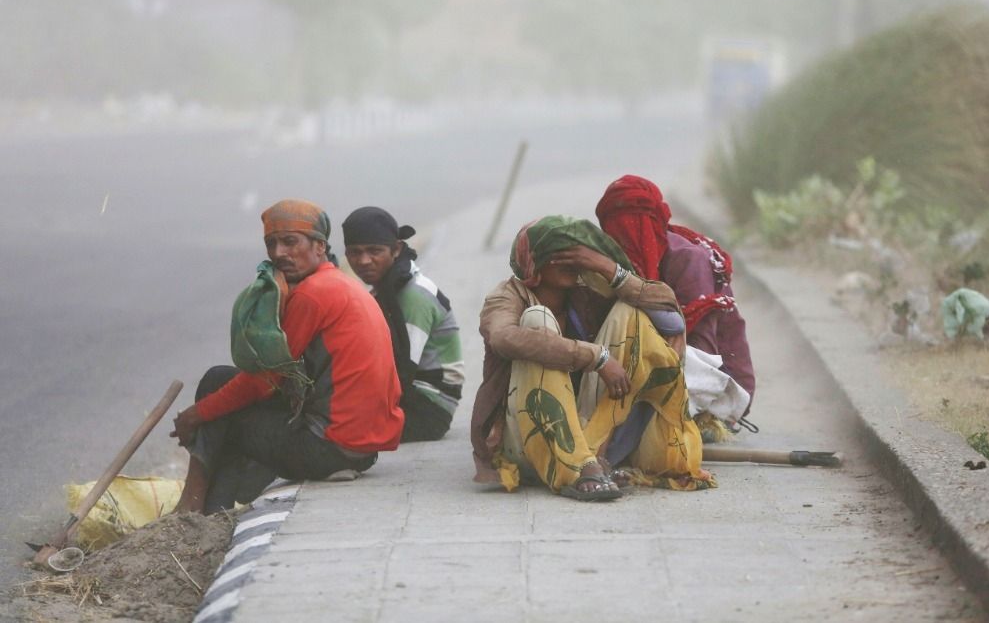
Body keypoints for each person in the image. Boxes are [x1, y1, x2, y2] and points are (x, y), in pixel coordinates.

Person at [170, 199, 405, 514]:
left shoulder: (312, 294)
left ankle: (192, 505)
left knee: (219, 404)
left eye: (290, 242)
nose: (279, 253)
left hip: (332, 448)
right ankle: (212, 511)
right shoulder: (338, 284)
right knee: (220, 385)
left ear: (320, 246)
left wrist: (194, 415)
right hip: (362, 448)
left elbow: (261, 382)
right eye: (272, 244)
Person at [470, 215, 716, 502]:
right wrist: (595, 357)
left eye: (575, 256)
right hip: (525, 437)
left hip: (587, 432)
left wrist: (608, 268)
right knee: (537, 320)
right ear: (535, 263)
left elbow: (670, 317)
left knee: (630, 313)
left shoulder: (586, 294)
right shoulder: (505, 296)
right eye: (559, 256)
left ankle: (595, 456)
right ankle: (579, 468)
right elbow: (503, 337)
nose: (571, 266)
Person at [596, 175, 756, 427]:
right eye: (618, 229)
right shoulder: (606, 262)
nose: (629, 237)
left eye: (638, 226)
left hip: (712, 391)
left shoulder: (687, 260)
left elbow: (703, 358)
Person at [342, 207, 464, 442]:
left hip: (428, 410)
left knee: (336, 428)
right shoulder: (388, 287)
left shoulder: (412, 295)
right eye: (354, 252)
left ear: (396, 249)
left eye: (374, 251)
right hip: (411, 399)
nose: (364, 261)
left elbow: (400, 370)